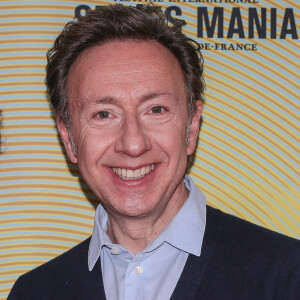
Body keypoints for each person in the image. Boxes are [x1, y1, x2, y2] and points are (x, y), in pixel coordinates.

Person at [8, 4, 299, 300]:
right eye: (104, 114)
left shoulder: (288, 276)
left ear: (192, 127)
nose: (133, 144)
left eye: (155, 109)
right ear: (69, 138)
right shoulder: (34, 292)